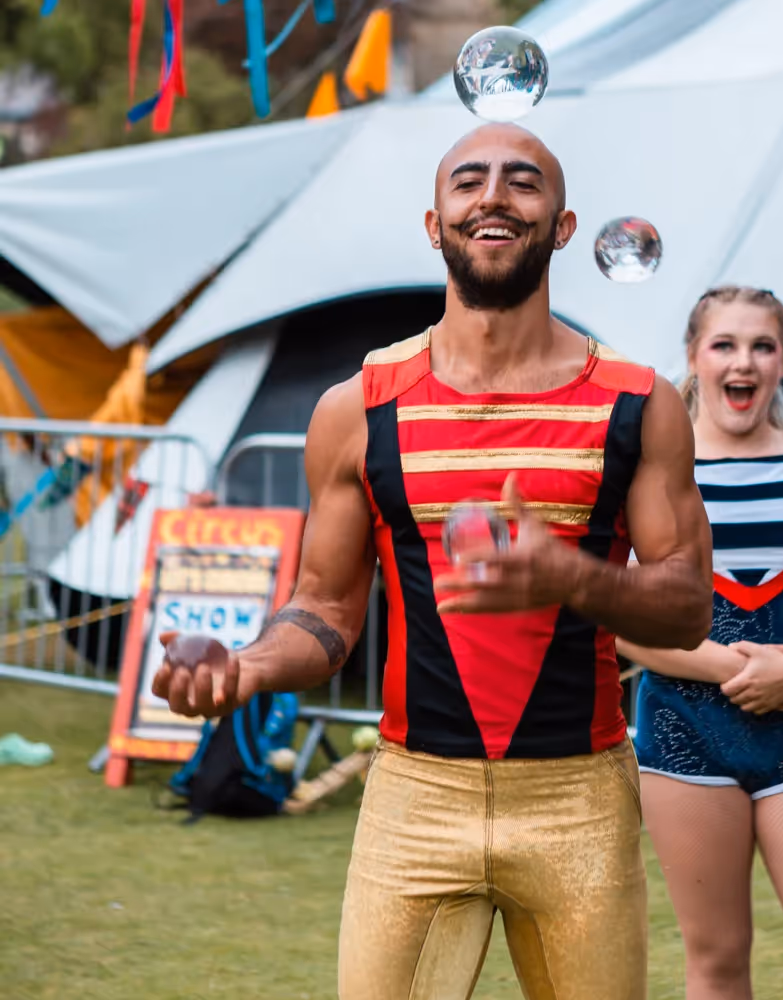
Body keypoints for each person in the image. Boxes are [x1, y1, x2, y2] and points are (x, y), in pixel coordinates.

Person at [152, 122, 713, 1000]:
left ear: (563, 227)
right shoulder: (358, 406)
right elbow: (326, 612)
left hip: (580, 799)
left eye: (523, 182)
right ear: (433, 223)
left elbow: (688, 607)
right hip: (414, 799)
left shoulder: (640, 402)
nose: (494, 196)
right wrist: (247, 667)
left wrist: (570, 576)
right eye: (469, 182)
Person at [619, 286, 783, 999]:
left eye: (762, 346)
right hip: (684, 741)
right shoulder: (653, 472)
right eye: (725, 345)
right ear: (693, 357)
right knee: (716, 963)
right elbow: (629, 619)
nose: (744, 362)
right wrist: (738, 670)